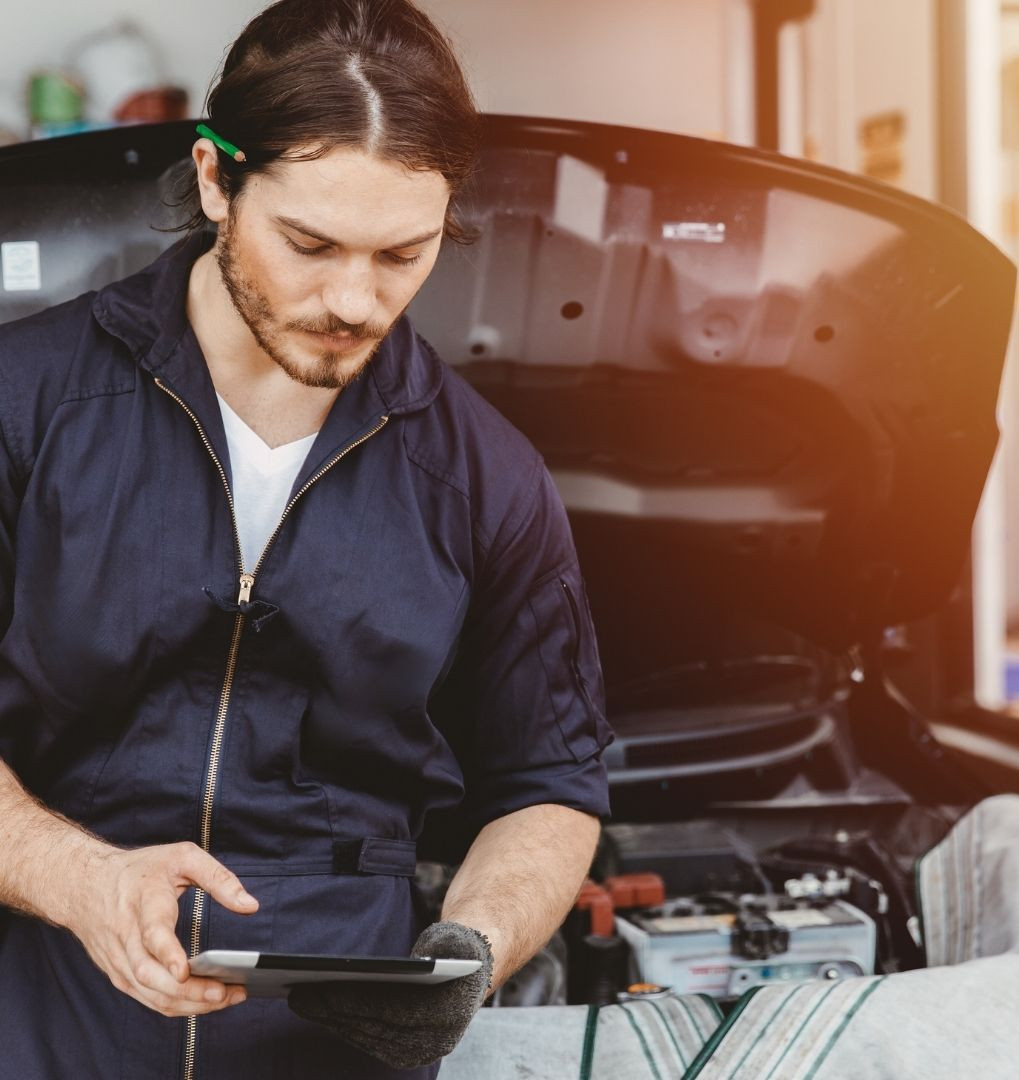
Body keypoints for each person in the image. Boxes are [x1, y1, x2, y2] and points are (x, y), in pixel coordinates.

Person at [0, 1, 612, 1077]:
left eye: (402, 253)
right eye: (311, 243)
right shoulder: (22, 404)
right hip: (44, 1025)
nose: (353, 300)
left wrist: (477, 949)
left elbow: (549, 786)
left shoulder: (489, 478)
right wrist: (84, 882)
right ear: (213, 181)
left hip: (337, 1053)